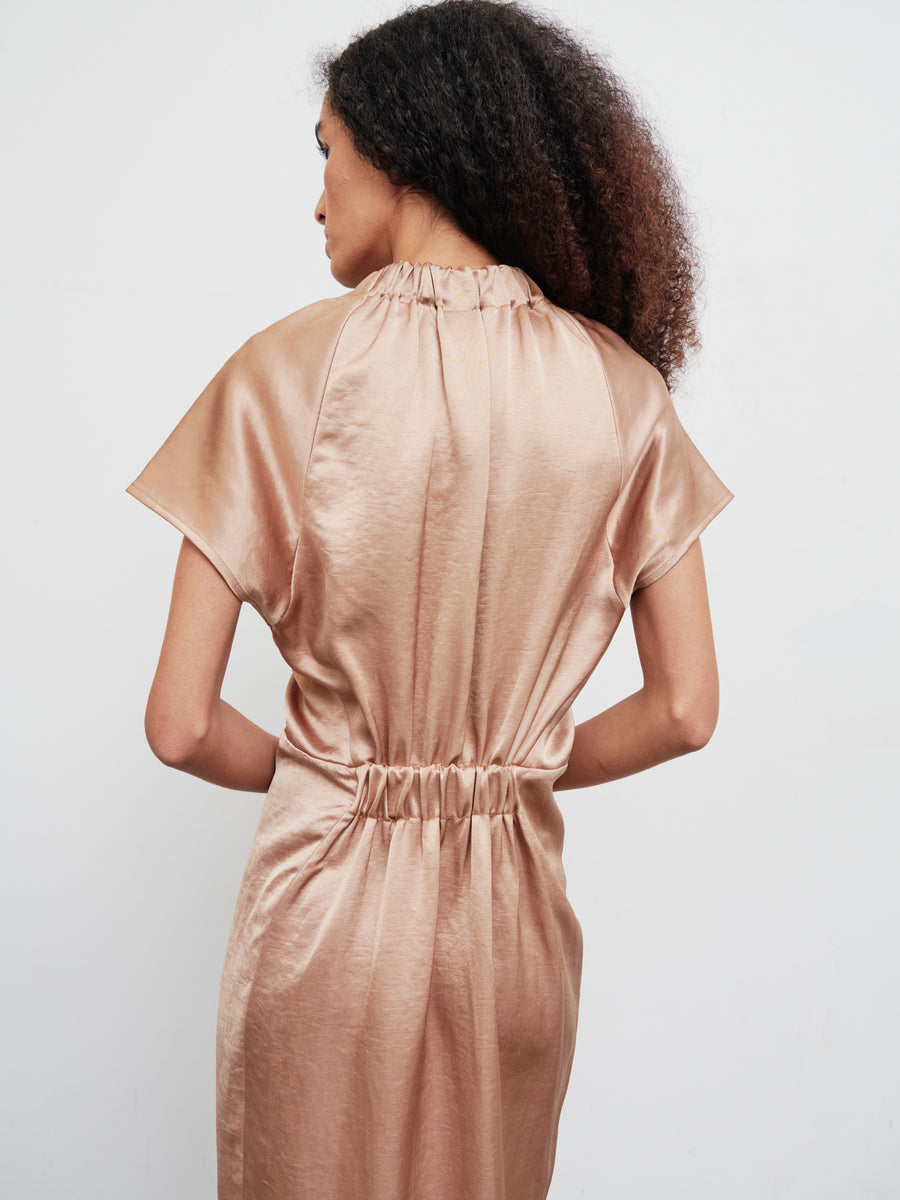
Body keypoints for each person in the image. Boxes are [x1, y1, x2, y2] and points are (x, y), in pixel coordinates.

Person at [125, 1, 732, 1196]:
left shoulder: (279, 372)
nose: (317, 195)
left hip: (322, 914)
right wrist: (505, 775)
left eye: (325, 151)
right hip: (514, 927)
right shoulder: (622, 394)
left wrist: (339, 775)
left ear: (400, 150)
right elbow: (685, 709)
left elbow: (180, 724)